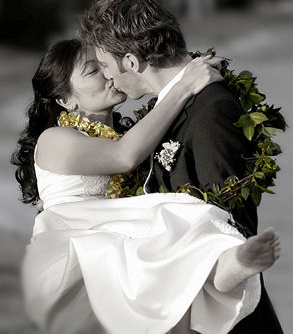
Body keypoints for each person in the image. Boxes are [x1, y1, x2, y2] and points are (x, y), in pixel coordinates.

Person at [12, 39, 280, 334]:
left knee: (172, 229)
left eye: (104, 65)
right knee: (149, 235)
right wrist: (183, 86)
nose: (107, 74)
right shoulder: (54, 138)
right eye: (92, 71)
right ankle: (220, 270)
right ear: (65, 100)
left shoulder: (129, 132)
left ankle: (223, 267)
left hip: (126, 236)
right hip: (77, 248)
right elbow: (125, 155)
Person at [79, 0, 284, 333]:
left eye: (103, 65)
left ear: (131, 61)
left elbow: (233, 226)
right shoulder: (170, 109)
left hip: (225, 322)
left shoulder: (211, 111)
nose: (106, 77)